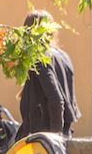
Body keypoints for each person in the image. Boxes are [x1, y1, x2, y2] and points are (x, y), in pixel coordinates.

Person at [18, 10, 79, 139]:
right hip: (63, 135)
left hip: (45, 139)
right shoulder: (64, 57)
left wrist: (54, 139)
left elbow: (56, 99)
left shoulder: (41, 58)